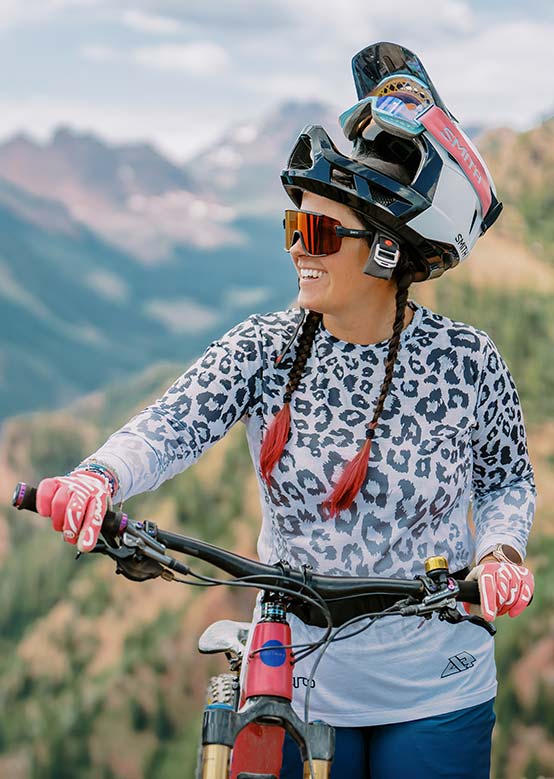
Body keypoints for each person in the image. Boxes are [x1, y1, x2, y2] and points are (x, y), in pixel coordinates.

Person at [36, 42, 535, 779]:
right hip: (293, 681)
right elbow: (172, 423)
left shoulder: (468, 360)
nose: (299, 248)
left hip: (437, 687)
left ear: (389, 254)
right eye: (292, 227)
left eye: (321, 233)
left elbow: (506, 480)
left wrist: (500, 552)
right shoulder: (265, 346)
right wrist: (98, 477)